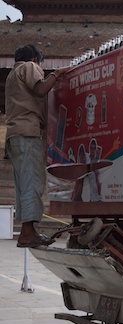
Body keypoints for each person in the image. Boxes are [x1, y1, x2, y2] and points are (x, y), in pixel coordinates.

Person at [4, 44, 69, 248]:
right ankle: (28, 232)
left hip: (14, 135)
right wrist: (56, 75)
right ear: (34, 59)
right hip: (28, 132)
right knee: (33, 182)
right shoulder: (28, 67)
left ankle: (26, 230)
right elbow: (40, 89)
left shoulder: (11, 74)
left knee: (23, 185)